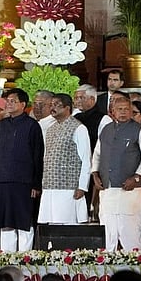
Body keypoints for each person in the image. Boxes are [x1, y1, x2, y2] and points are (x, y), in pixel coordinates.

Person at [0, 88, 44, 252]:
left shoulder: (32, 126)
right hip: (2, 180)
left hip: (23, 181)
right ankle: (7, 259)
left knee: (24, 222)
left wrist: (36, 184)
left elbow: (37, 156)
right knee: (5, 222)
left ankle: (25, 259)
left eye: (13, 101)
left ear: (23, 104)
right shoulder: (2, 125)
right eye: (8, 101)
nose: (9, 104)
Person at [92, 96, 141, 252]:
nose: (124, 112)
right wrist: (95, 175)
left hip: (130, 189)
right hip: (107, 188)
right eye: (120, 109)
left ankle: (134, 263)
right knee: (108, 227)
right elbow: (97, 155)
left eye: (127, 109)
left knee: (129, 228)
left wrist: (136, 177)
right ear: (112, 112)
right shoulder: (106, 130)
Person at [37, 93, 91, 225]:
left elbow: (86, 159)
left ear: (67, 108)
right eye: (51, 105)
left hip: (69, 187)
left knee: (68, 226)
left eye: (57, 105)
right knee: (51, 227)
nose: (53, 108)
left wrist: (82, 186)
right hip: (50, 186)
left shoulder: (79, 128)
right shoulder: (51, 129)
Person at [73, 85, 103, 150]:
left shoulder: (103, 118)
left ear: (92, 99)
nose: (78, 101)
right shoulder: (74, 117)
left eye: (81, 98)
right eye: (76, 98)